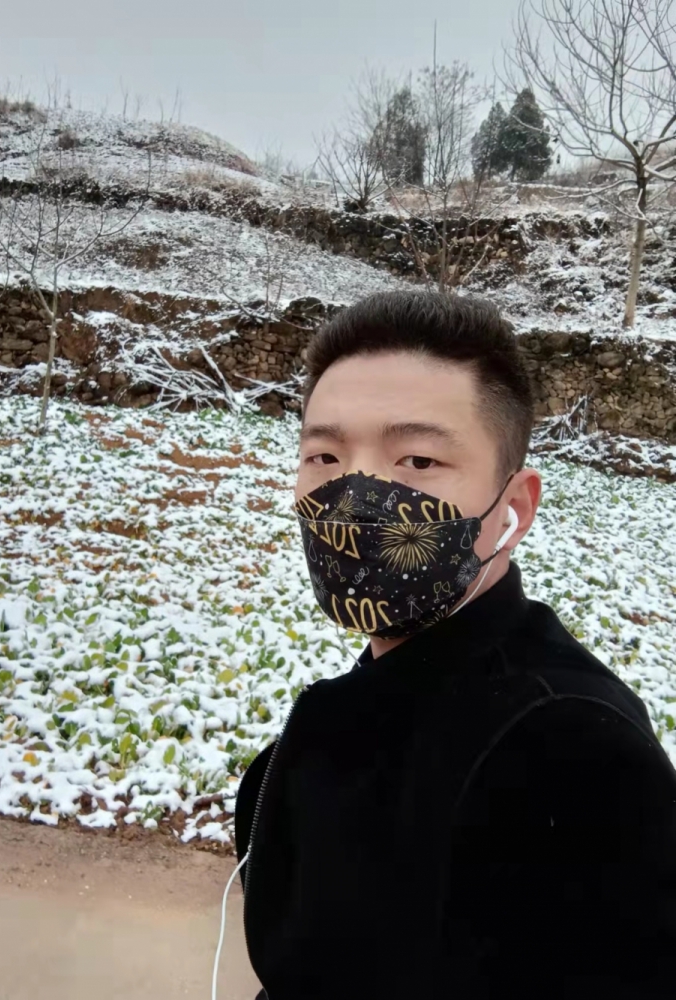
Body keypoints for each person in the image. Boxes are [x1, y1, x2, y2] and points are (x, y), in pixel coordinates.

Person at [234, 290, 676, 1000]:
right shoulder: (382, 695)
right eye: (325, 455)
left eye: (417, 460)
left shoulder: (574, 757)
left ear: (513, 509)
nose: (355, 496)